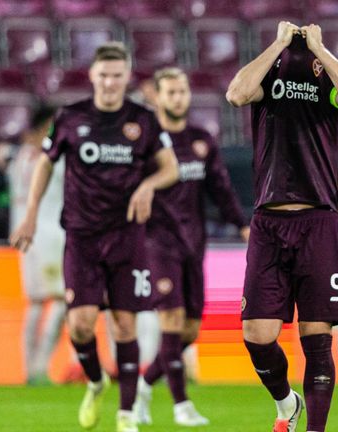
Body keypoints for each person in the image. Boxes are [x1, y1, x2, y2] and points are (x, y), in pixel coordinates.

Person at [9, 42, 179, 432]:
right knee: (81, 325)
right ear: (92, 77)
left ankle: (125, 414)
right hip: (82, 238)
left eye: (117, 75)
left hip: (127, 238)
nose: (110, 82)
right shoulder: (70, 118)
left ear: (126, 77)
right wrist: (32, 213)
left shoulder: (143, 120)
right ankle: (95, 381)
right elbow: (45, 165)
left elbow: (169, 168)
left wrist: (148, 185)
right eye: (103, 75)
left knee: (125, 325)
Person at [226, 22, 338, 432]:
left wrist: (321, 50)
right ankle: (287, 401)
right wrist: (278, 43)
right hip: (269, 220)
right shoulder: (268, 74)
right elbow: (236, 93)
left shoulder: (331, 82)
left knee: (316, 336)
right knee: (257, 334)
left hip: (318, 220)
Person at [132, 67, 250, 426]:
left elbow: (221, 189)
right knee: (171, 319)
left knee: (189, 330)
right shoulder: (145, 143)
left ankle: (143, 386)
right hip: (157, 243)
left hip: (193, 244)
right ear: (157, 97)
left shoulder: (201, 140)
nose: (178, 98)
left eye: (182, 91)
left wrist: (242, 224)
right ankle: (182, 405)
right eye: (170, 92)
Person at [7, 105, 68, 386]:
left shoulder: (18, 158)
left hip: (24, 237)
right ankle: (40, 367)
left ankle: (28, 368)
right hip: (50, 235)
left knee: (34, 303)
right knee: (60, 301)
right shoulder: (53, 156)